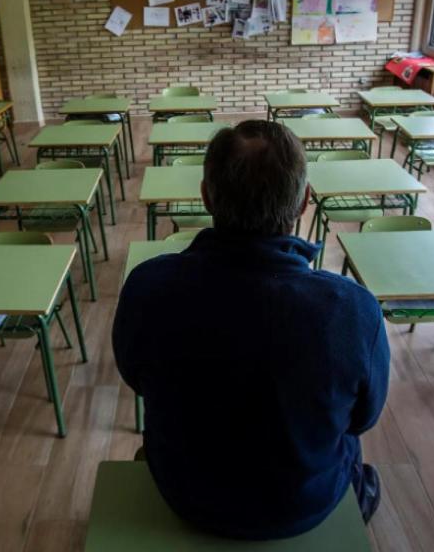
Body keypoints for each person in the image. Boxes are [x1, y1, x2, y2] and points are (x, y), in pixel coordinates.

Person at [113, 120, 390, 540]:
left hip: (185, 495)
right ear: (304, 203)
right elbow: (362, 419)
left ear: (206, 196)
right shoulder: (353, 309)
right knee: (353, 456)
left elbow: (135, 375)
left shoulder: (147, 286)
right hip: (303, 506)